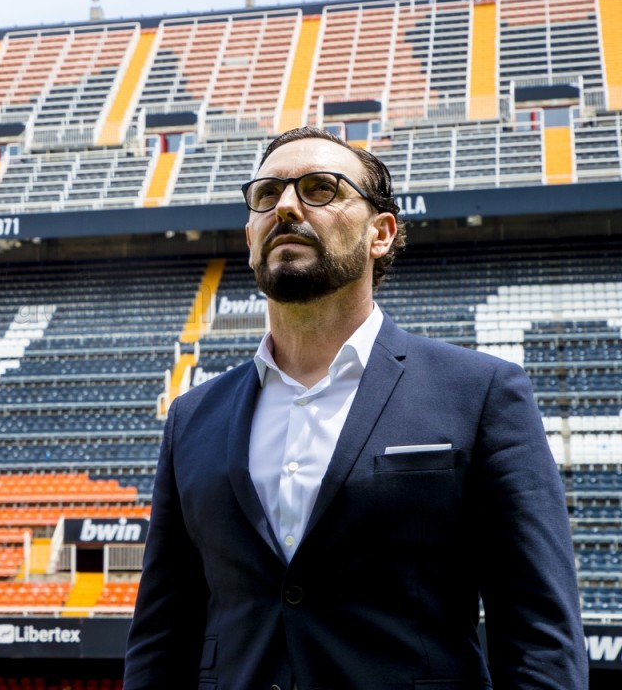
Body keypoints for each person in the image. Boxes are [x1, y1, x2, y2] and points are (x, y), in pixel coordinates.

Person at [124, 127, 586, 689]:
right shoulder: (192, 417)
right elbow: (162, 638)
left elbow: (541, 638)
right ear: (249, 236)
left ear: (380, 234)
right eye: (266, 194)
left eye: (320, 188)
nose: (286, 206)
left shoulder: (482, 393)